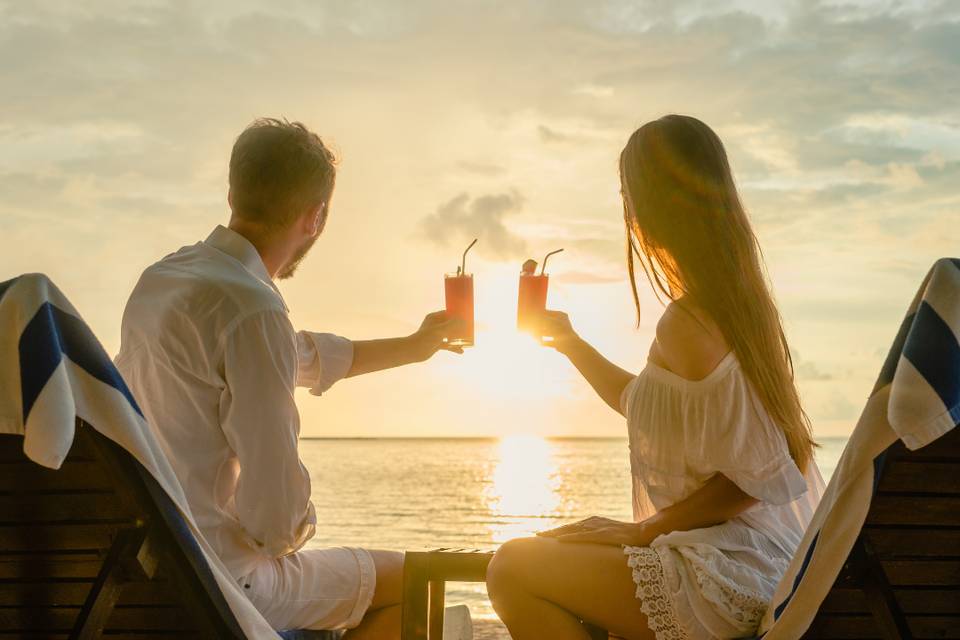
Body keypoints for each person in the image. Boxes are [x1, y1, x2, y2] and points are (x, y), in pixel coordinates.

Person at [116, 118, 463, 638]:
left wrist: (413, 348)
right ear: (315, 217)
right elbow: (274, 524)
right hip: (223, 581)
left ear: (233, 191)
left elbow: (296, 355)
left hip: (152, 566)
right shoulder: (254, 310)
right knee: (416, 578)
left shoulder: (163, 280)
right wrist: (305, 521)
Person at [485, 115, 825, 640]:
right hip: (761, 560)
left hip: (731, 571)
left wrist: (641, 530)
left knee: (512, 569)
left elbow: (753, 482)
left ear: (648, 208)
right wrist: (573, 345)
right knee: (546, 558)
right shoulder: (739, 308)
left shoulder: (690, 322)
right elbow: (645, 404)